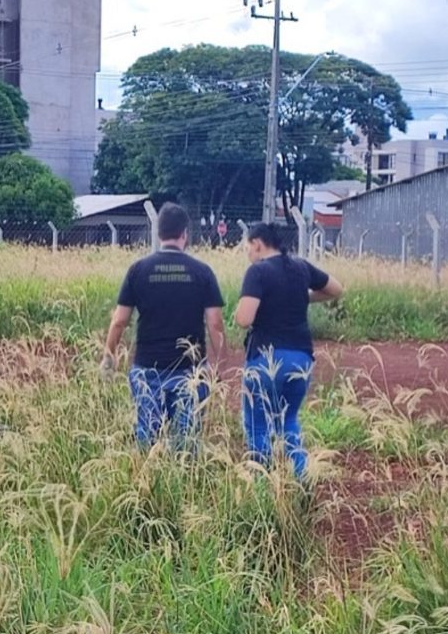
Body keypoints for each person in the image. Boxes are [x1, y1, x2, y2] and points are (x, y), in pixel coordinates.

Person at [102, 203, 226, 446]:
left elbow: (119, 321)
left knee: (147, 441)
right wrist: (218, 367)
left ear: (158, 233)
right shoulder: (202, 272)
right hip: (190, 372)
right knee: (186, 445)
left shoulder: (138, 270)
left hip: (148, 368)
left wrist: (108, 357)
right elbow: (216, 323)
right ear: (185, 234)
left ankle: (146, 482)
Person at [234, 223, 343, 478]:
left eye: (248, 247)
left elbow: (244, 319)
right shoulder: (301, 267)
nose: (248, 253)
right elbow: (336, 289)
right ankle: (301, 479)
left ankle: (263, 486)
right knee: (288, 422)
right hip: (301, 357)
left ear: (258, 243)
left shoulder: (257, 272)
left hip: (266, 358)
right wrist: (304, 297)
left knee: (258, 425)